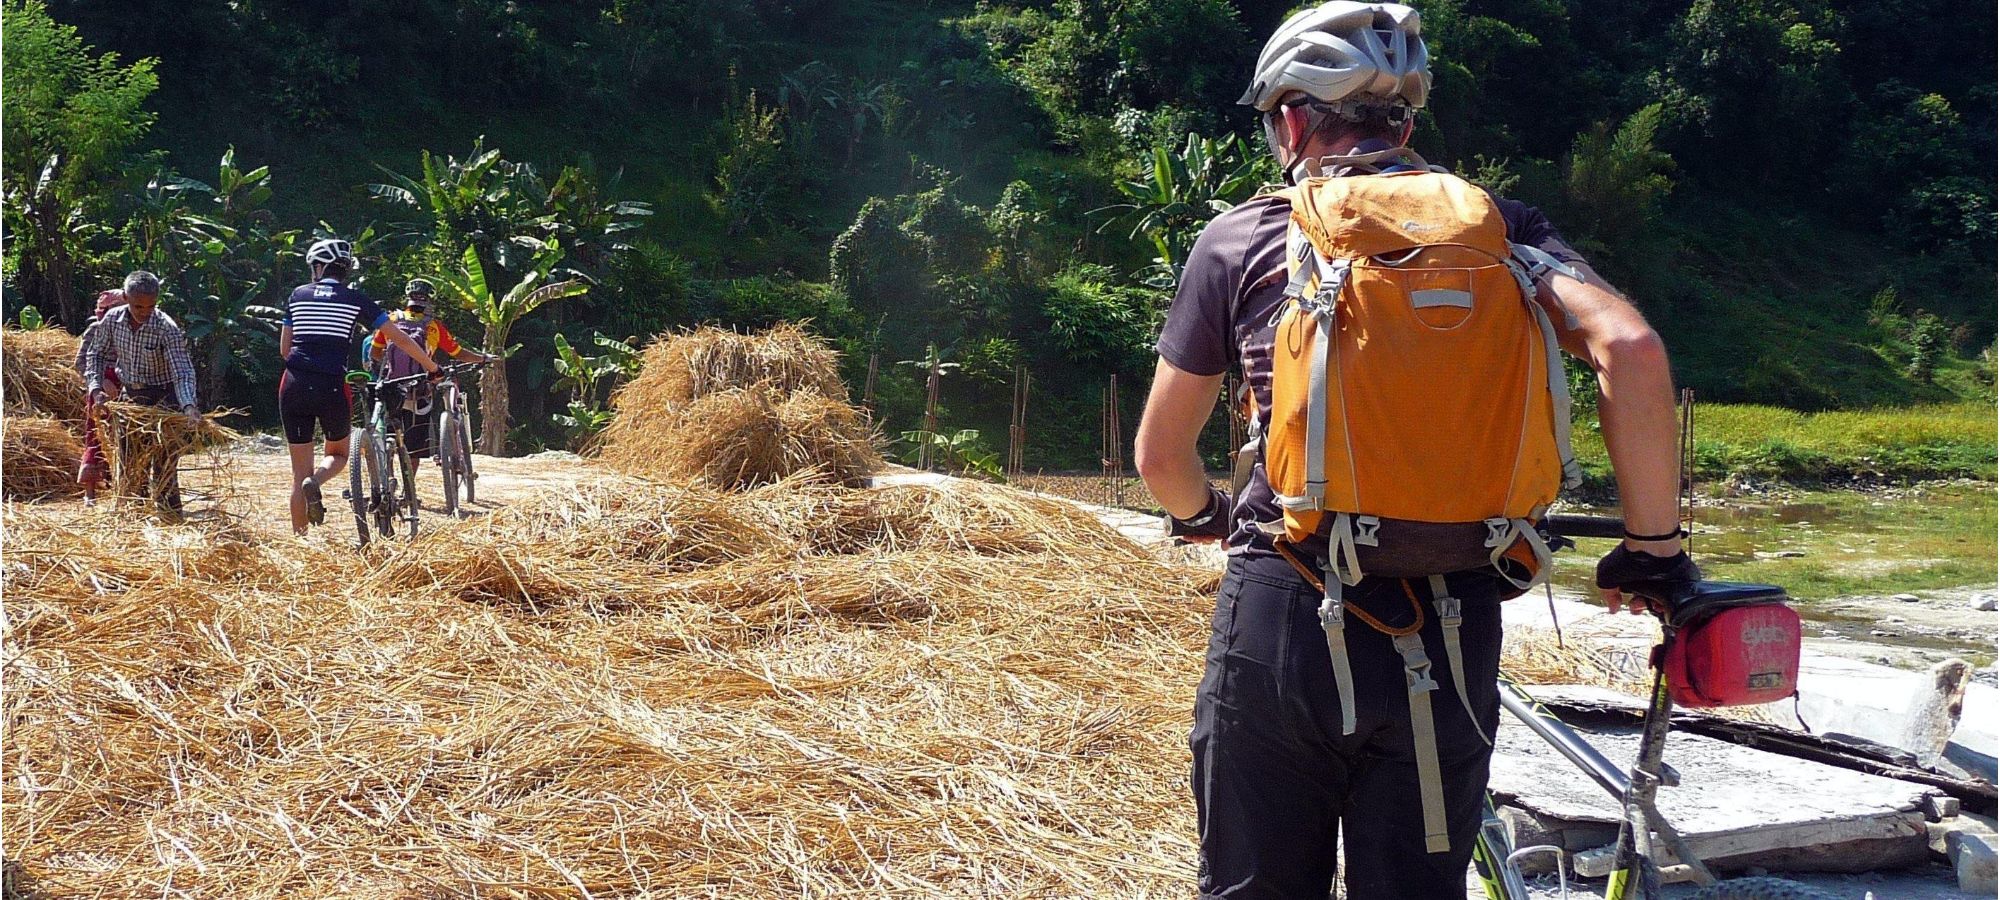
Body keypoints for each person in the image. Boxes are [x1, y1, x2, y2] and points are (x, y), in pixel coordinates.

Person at [1132, 4, 1696, 897]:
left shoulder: (1240, 238)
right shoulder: (1502, 230)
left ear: (1290, 119)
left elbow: (1162, 455)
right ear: (1407, 119)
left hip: (1286, 610)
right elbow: (1630, 351)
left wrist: (1202, 516)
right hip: (1456, 609)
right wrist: (1654, 549)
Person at [280, 238, 442, 535]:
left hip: (293, 384)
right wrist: (432, 367)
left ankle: (299, 543)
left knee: (296, 473)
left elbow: (284, 349)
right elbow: (400, 339)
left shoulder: (296, 295)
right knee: (340, 454)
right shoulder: (356, 299)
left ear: (319, 267)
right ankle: (315, 482)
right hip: (331, 384)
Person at [80, 272, 202, 509]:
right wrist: (96, 388)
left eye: (151, 305)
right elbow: (96, 354)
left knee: (165, 462)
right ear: (125, 297)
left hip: (163, 400)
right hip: (131, 399)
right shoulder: (112, 320)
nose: (144, 311)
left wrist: (188, 405)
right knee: (130, 462)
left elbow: (182, 370)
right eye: (138, 306)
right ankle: (132, 514)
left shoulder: (166, 327)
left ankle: (170, 516)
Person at [365, 277, 493, 473]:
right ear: (429, 301)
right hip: (420, 390)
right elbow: (459, 353)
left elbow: (374, 352)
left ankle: (388, 483)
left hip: (393, 388)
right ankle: (409, 489)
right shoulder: (433, 327)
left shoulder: (390, 320)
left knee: (390, 437)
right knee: (415, 446)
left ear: (408, 299)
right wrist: (482, 358)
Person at [75, 289, 128, 506]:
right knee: (96, 436)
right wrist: (102, 382)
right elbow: (81, 363)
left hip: (125, 390)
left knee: (123, 439)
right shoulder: (95, 330)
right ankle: (90, 493)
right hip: (100, 392)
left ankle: (121, 489)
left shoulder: (129, 331)